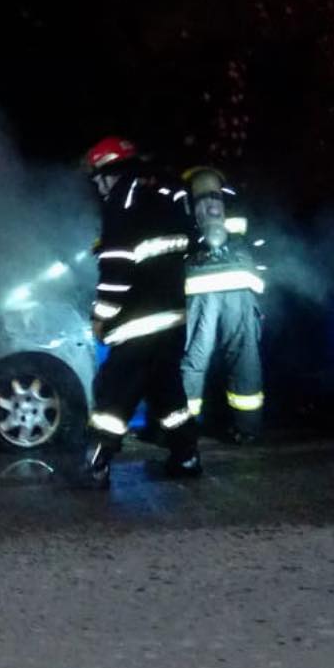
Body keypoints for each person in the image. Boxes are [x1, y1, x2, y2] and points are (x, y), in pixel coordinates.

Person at [75, 137, 200, 488]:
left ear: (108, 171)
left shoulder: (122, 198)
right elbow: (187, 245)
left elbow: (116, 266)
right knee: (168, 393)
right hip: (172, 317)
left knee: (115, 392)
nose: (97, 187)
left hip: (137, 321)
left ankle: (96, 464)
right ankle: (187, 457)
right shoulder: (167, 190)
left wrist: (102, 315)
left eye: (97, 178)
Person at [179, 165, 268, 442]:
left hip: (199, 284)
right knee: (244, 357)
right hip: (240, 281)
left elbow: (179, 239)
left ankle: (184, 429)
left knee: (195, 358)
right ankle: (247, 429)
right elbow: (256, 238)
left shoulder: (182, 197)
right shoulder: (234, 197)